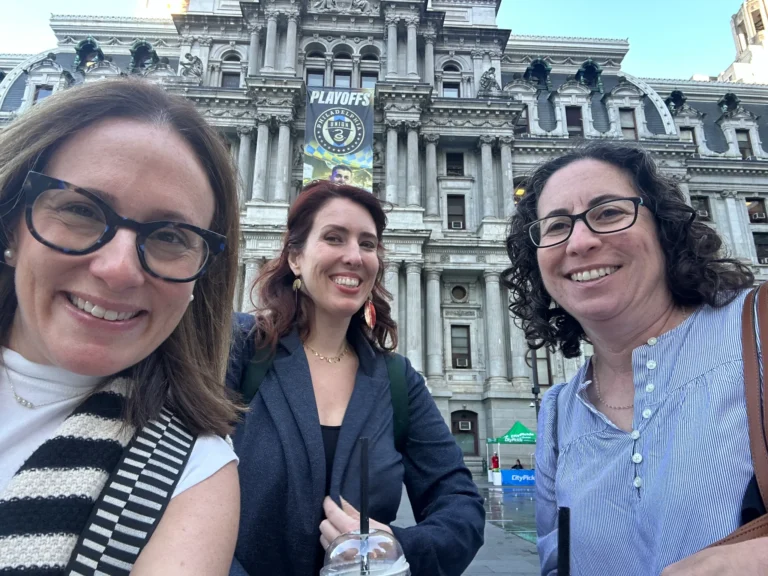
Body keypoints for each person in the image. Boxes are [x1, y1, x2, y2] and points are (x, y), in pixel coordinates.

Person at [0, 79, 242, 574]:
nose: (118, 269)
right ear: (12, 226)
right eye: (82, 210)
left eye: (171, 235)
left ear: (202, 276)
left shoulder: (192, 472)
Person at [502, 141, 761, 576]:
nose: (580, 242)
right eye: (556, 226)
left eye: (609, 213)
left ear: (664, 228)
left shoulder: (756, 336)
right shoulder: (559, 414)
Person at [227, 180, 485, 575]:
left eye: (367, 244)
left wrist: (395, 548)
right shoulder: (240, 348)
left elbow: (461, 504)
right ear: (295, 257)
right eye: (334, 238)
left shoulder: (397, 380)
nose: (354, 256)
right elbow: (170, 488)